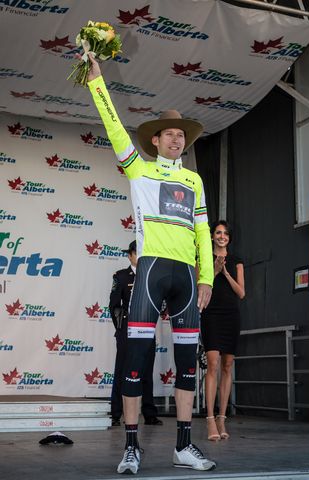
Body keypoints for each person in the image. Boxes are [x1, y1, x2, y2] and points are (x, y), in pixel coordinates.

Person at [86, 53, 215, 475]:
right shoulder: (139, 170)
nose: (176, 140)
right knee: (136, 363)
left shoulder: (193, 181)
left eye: (181, 135)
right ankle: (130, 447)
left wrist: (208, 278)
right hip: (150, 274)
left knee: (185, 368)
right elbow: (112, 127)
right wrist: (96, 82)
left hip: (186, 278)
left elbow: (202, 233)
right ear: (155, 141)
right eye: (169, 135)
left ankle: (183, 446)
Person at [109, 240, 163, 427]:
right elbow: (114, 305)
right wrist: (121, 329)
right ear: (130, 255)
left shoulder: (152, 276)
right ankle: (116, 413)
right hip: (127, 329)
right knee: (122, 370)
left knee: (147, 371)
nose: (141, 256)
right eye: (137, 252)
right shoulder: (121, 276)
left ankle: (149, 414)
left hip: (147, 329)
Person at [200, 220, 245, 441]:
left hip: (231, 316)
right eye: (218, 232)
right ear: (212, 236)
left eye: (225, 233)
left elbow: (241, 293)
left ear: (229, 237)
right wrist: (215, 271)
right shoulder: (203, 258)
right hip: (211, 314)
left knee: (227, 366)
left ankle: (221, 418)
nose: (222, 236)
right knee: (213, 364)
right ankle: (209, 419)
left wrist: (226, 273)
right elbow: (200, 284)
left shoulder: (237, 261)